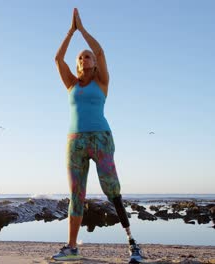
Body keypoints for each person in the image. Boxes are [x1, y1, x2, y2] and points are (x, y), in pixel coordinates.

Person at [52, 8, 143, 263]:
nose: (84, 59)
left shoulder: (102, 82)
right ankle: (71, 247)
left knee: (112, 189)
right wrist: (70, 32)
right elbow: (58, 59)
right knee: (76, 195)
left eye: (87, 56)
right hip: (75, 142)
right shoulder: (71, 84)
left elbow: (101, 52)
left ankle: (132, 244)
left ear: (94, 63)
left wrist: (82, 29)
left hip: (101, 139)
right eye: (81, 58)